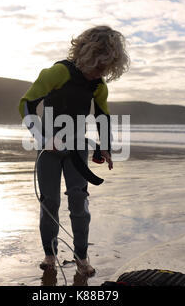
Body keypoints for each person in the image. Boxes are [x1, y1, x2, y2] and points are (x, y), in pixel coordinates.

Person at [18, 25, 129, 277]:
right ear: (87, 54)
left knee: (79, 201)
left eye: (106, 69)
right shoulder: (58, 73)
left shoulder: (98, 86)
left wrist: (106, 147)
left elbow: (103, 116)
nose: (100, 73)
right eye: (99, 66)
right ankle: (50, 253)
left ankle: (81, 257)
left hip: (77, 148)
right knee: (50, 202)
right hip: (49, 149)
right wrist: (42, 138)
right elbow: (26, 104)